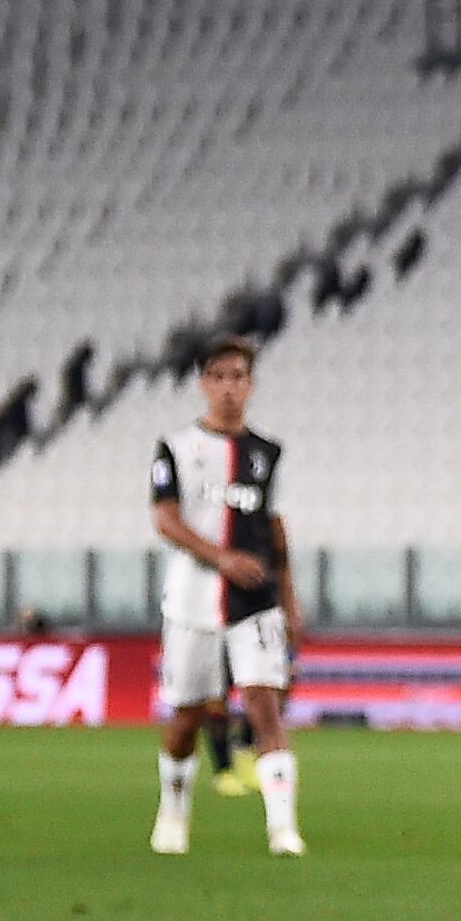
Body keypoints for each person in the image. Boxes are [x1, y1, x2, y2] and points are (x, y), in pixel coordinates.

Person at [149, 337, 304, 855]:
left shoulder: (267, 453)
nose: (230, 387)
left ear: (252, 384)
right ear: (203, 384)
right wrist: (221, 558)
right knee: (188, 715)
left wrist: (290, 596)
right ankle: (173, 814)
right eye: (219, 376)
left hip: (255, 599)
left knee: (264, 706)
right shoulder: (174, 447)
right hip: (193, 600)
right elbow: (165, 519)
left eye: (239, 376)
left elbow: (275, 528)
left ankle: (283, 830)